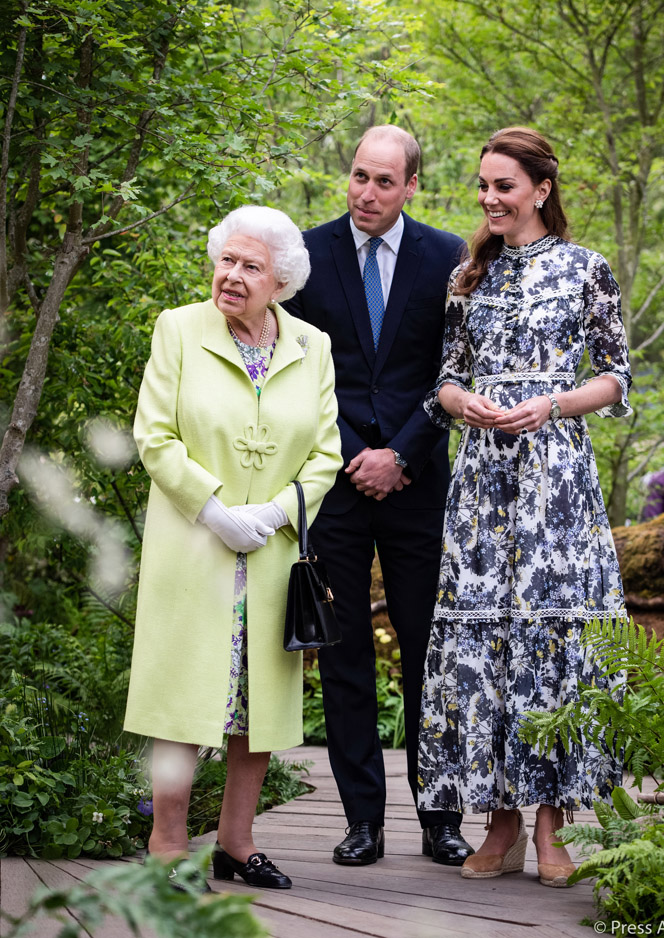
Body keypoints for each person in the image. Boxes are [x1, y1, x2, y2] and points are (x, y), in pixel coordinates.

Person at [417, 127, 632, 888]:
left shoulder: (586, 271)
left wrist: (555, 404)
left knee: (548, 643)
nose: (488, 198)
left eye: (502, 186)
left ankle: (550, 827)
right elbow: (442, 380)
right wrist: (462, 401)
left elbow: (615, 379)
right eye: (482, 185)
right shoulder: (469, 277)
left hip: (555, 481)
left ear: (541, 189)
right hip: (482, 488)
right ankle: (497, 824)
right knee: (487, 650)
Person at [124, 205, 342, 891]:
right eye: (226, 260)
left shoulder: (313, 346)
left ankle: (236, 843)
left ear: (281, 280)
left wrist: (279, 511)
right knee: (182, 699)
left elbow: (326, 453)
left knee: (255, 705)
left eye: (251, 266)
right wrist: (215, 510)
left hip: (273, 555)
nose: (232, 276)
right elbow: (154, 436)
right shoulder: (180, 329)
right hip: (195, 546)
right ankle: (166, 843)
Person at [283, 125, 473, 867]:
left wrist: (402, 451)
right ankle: (361, 822)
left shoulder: (448, 256)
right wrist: (355, 453)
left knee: (431, 650)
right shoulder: (307, 253)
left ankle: (440, 820)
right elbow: (293, 368)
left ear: (412, 187)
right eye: (359, 176)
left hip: (418, 480)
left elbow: (453, 368)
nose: (366, 193)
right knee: (346, 656)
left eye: (383, 182)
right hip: (333, 484)